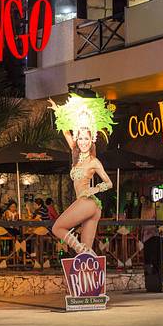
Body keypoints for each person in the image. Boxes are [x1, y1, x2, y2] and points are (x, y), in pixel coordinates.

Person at [49, 97, 113, 256]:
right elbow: (65, 131)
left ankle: (79, 249)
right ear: (77, 139)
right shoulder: (75, 154)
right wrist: (58, 111)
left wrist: (94, 189)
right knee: (86, 254)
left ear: (92, 140)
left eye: (86, 138)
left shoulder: (94, 161)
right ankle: (90, 273)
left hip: (88, 202)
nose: (83, 142)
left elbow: (109, 183)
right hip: (88, 206)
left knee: (57, 228)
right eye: (81, 138)